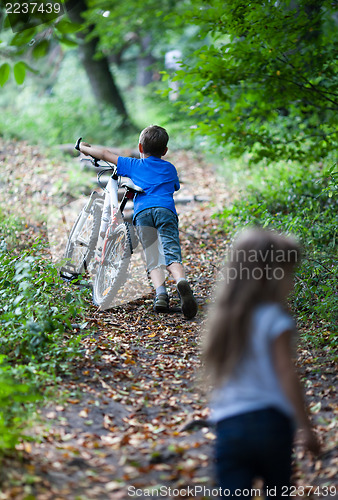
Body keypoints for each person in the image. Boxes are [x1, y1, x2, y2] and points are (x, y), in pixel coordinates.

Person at [203, 228, 320, 498]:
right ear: (270, 276)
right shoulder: (274, 319)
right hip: (271, 424)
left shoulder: (224, 319)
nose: (291, 282)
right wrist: (306, 427)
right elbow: (285, 373)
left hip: (229, 425)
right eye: (289, 273)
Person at [78, 125, 198, 319]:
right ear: (165, 151)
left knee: (152, 255)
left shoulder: (134, 165)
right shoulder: (169, 168)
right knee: (171, 252)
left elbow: (105, 154)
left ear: (140, 148)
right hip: (166, 211)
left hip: (143, 214)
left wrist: (84, 148)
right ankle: (181, 281)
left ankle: (161, 295)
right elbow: (174, 187)